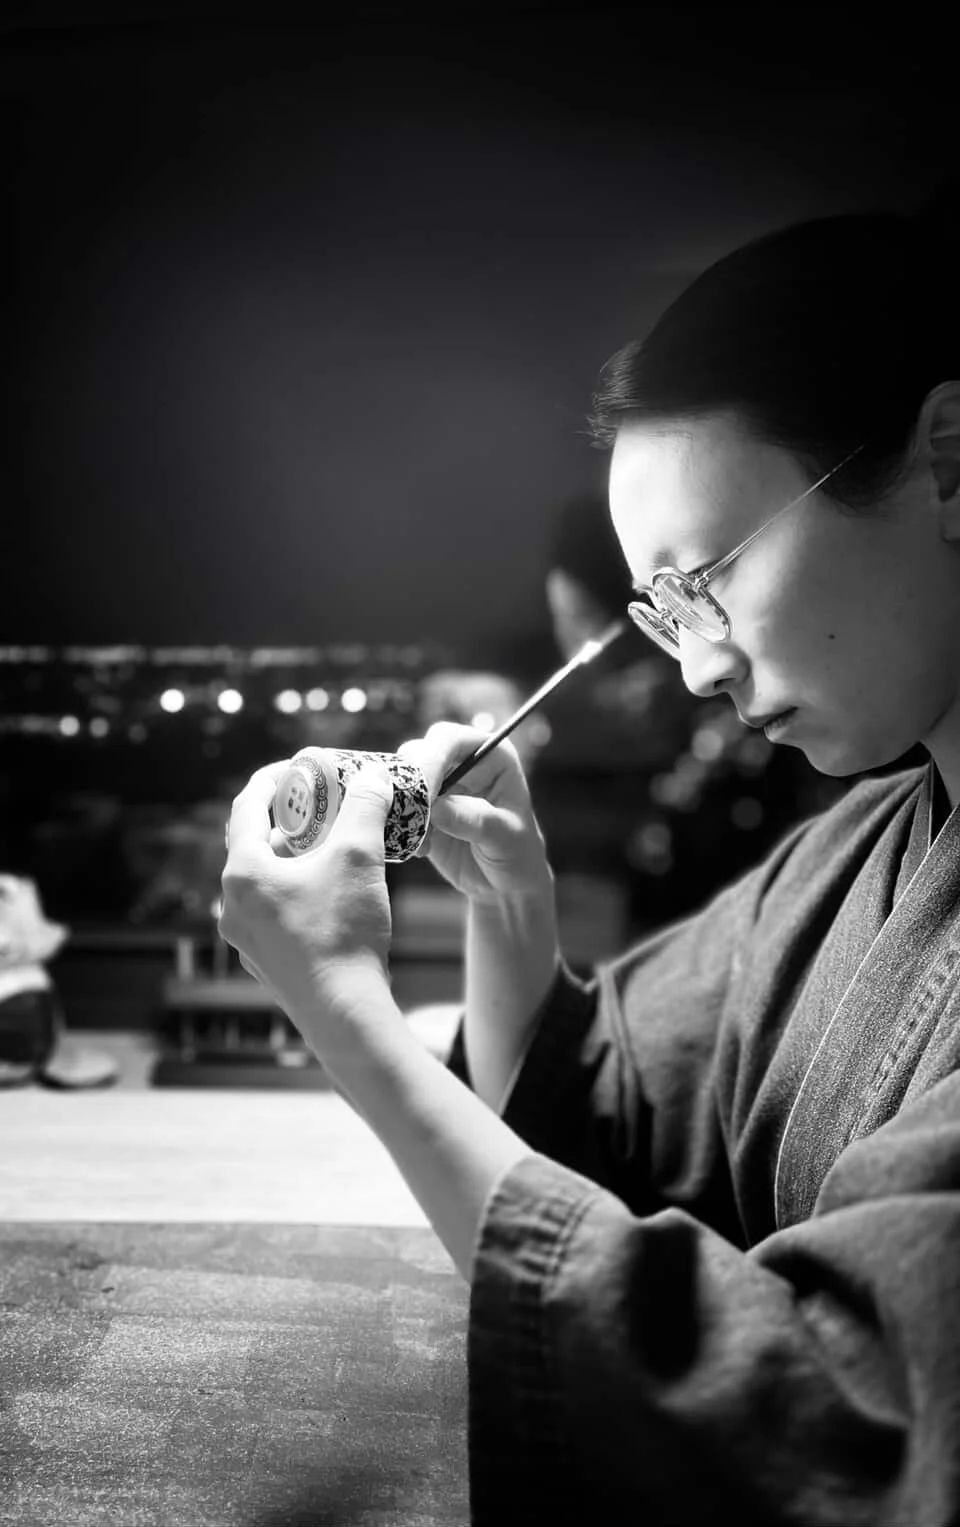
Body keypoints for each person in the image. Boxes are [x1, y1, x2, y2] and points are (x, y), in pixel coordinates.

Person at [218, 181, 960, 1524]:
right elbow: (607, 1121)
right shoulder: (859, 849)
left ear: (950, 459)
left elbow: (840, 1419)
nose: (705, 665)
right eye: (663, 609)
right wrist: (514, 910)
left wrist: (348, 1018)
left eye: (710, 577)